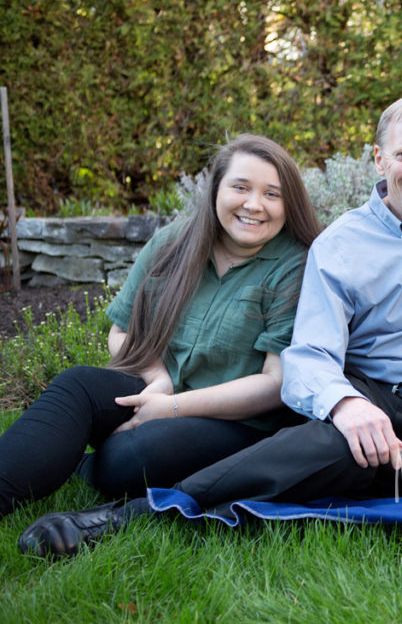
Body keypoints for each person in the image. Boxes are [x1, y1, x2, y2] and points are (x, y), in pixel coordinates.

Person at [18, 95, 402, 557]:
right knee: (338, 443)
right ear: (378, 159)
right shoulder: (339, 246)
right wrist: (348, 405)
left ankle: (298, 478)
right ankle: (146, 512)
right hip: (366, 393)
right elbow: (309, 355)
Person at [0, 134, 321, 519]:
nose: (254, 204)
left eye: (273, 194)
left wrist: (170, 407)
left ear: (289, 204)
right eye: (240, 187)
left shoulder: (296, 266)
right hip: (157, 389)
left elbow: (274, 384)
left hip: (238, 423)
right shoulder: (174, 242)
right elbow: (120, 333)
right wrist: (158, 379)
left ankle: (79, 463)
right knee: (78, 385)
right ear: (216, 189)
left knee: (136, 453)